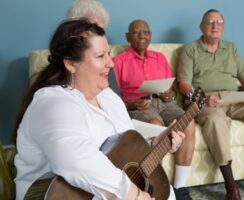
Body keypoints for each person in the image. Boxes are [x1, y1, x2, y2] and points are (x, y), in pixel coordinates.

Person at [13, 19, 185, 200]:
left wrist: (152, 145)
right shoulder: (52, 102)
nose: (111, 63)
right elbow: (78, 160)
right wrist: (134, 195)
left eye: (109, 54)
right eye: (100, 56)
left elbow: (120, 149)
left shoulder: (109, 97)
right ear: (71, 64)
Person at [177, 9, 244, 200]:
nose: (215, 25)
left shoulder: (232, 48)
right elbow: (184, 84)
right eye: (210, 22)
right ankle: (231, 186)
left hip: (233, 97)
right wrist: (202, 98)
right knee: (216, 120)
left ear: (223, 27)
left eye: (219, 22)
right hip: (206, 101)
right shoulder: (190, 49)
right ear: (201, 27)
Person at [113, 19, 196, 200]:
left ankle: (180, 187)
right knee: (156, 125)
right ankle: (158, 185)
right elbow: (111, 98)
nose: (142, 35)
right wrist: (130, 105)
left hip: (165, 103)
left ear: (150, 35)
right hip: (139, 105)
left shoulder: (160, 58)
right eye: (136, 32)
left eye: (146, 32)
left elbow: (171, 88)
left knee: (188, 122)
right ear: (128, 37)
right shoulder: (118, 62)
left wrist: (171, 95)